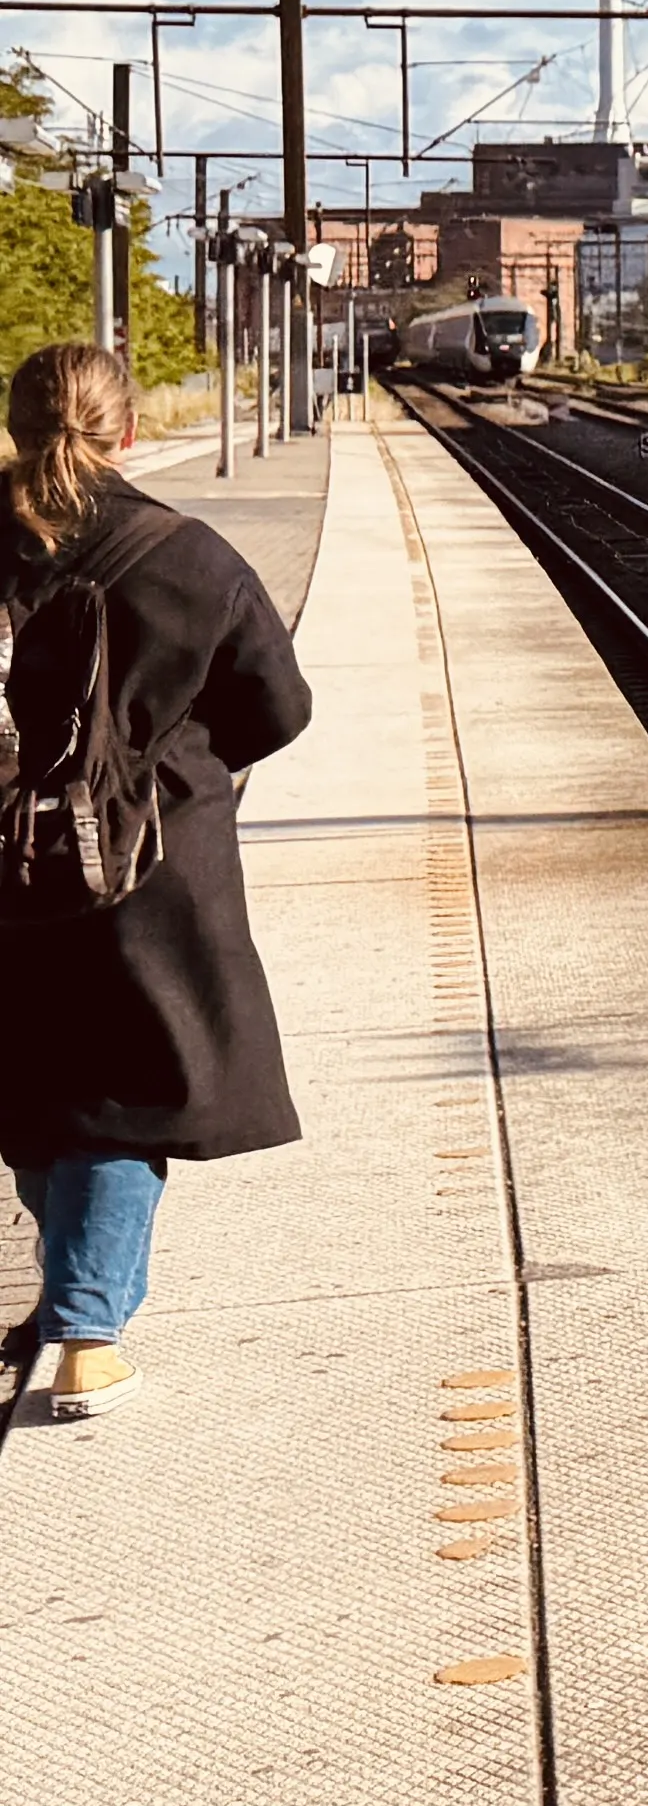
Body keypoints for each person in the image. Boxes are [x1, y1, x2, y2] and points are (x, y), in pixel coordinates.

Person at [2, 341, 313, 1419]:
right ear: (125, 431)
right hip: (145, 861)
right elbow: (278, 707)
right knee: (124, 1088)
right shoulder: (191, 556)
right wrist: (165, 766)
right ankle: (86, 1332)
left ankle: (62, 1304)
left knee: (33, 1080)